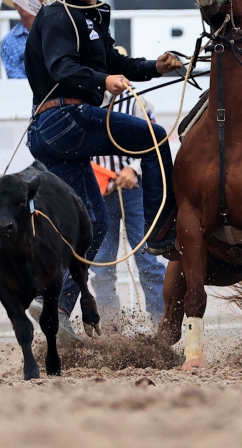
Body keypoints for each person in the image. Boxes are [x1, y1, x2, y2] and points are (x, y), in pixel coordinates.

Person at [23, 0, 183, 342]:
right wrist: (101, 81)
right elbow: (63, 66)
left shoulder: (92, 17)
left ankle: (56, 307)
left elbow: (117, 63)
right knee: (155, 138)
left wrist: (153, 66)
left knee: (94, 224)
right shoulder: (58, 15)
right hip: (65, 119)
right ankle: (161, 231)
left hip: (50, 132)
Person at [90, 80, 166, 327]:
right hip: (100, 193)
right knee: (102, 267)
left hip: (134, 192)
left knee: (148, 261)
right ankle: (111, 329)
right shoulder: (85, 101)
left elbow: (156, 140)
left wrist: (134, 169)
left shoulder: (135, 101)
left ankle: (162, 325)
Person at [0, 0, 56, 79]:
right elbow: (16, 79)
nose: (26, 2)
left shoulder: (58, 31)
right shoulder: (8, 42)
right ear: (15, 3)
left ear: (41, 0)